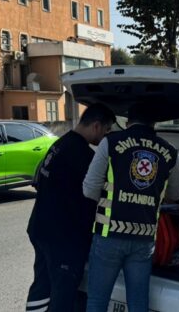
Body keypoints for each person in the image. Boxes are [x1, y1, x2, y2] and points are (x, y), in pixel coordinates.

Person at [82, 103, 179, 312]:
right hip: (143, 239)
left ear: (127, 122)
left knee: (97, 301)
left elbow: (89, 189)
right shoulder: (171, 153)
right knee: (138, 303)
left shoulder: (110, 143)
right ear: (154, 124)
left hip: (109, 234)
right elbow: (176, 194)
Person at [26, 103, 115, 312]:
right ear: (96, 126)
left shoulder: (60, 144)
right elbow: (101, 194)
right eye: (106, 130)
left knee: (42, 285)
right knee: (63, 293)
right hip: (63, 238)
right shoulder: (82, 155)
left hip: (41, 228)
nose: (105, 137)